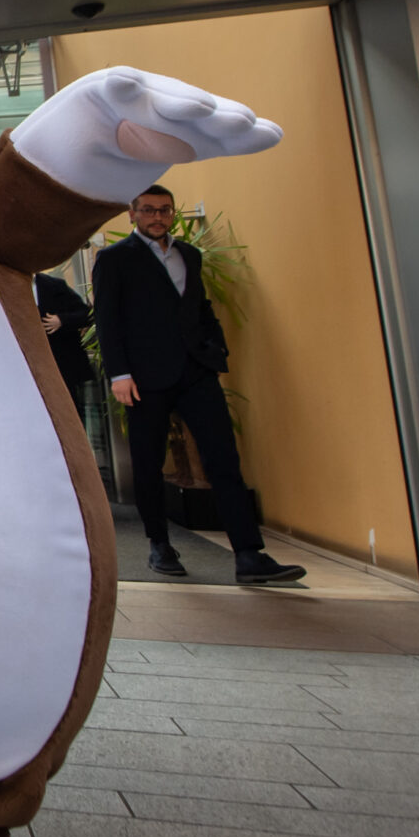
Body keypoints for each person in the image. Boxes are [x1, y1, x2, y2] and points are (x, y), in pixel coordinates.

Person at [91, 186, 304, 585]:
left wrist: (215, 349)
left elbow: (200, 308)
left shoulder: (189, 255)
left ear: (173, 214)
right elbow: (107, 319)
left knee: (223, 459)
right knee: (149, 464)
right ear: (132, 215)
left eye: (165, 210)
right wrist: (119, 374)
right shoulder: (113, 259)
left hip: (196, 373)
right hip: (143, 379)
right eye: (149, 210)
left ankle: (248, 555)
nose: (158, 217)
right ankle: (159, 545)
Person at [32, 270, 93, 401]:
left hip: (61, 364)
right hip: (30, 366)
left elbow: (87, 314)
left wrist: (62, 320)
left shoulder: (55, 285)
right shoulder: (4, 287)